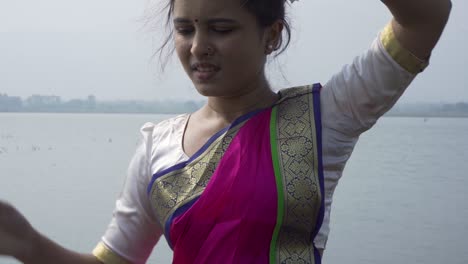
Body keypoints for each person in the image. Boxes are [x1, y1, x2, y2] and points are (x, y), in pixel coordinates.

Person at [0, 0, 451, 263]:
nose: (198, 47)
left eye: (220, 28)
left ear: (271, 35)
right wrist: (25, 242)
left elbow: (425, 18)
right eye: (185, 28)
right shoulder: (157, 147)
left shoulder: (325, 117)